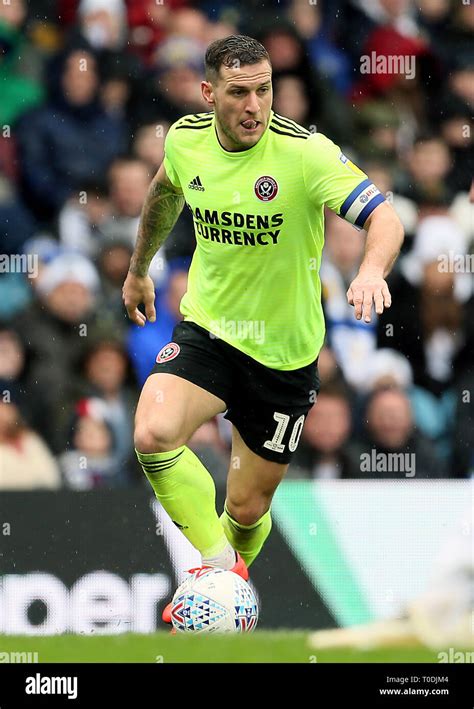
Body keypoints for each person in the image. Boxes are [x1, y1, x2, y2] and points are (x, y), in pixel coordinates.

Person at [121, 35, 404, 626]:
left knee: (247, 508)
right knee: (151, 431)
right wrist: (139, 267)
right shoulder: (186, 140)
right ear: (209, 94)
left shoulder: (306, 154)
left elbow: (384, 216)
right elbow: (166, 192)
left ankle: (224, 585)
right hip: (210, 331)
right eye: (239, 92)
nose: (255, 106)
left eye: (264, 90)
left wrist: (371, 269)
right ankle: (220, 579)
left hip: (283, 356)